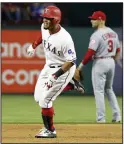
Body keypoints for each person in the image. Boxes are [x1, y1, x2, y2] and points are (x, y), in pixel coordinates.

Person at [27, 5, 77, 138]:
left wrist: (55, 76)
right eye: (44, 17)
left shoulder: (65, 38)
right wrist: (33, 45)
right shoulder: (44, 27)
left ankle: (50, 130)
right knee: (38, 98)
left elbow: (71, 61)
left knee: (45, 100)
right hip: (48, 66)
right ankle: (70, 85)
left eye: (48, 18)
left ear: (56, 20)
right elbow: (41, 35)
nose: (44, 20)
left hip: (63, 69)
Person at [74, 11, 121, 123]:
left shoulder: (96, 34)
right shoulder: (113, 33)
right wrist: (111, 61)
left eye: (94, 19)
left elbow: (90, 53)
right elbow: (118, 50)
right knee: (109, 89)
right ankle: (117, 115)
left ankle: (101, 119)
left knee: (99, 91)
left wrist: (80, 67)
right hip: (111, 62)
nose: (91, 21)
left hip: (100, 62)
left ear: (100, 20)